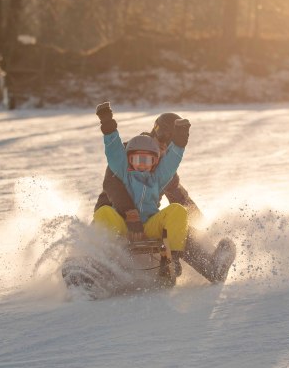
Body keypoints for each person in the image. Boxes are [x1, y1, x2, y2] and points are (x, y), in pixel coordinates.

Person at [93, 112, 236, 284]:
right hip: (114, 217)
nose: (163, 146)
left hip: (148, 222)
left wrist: (202, 229)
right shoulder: (128, 152)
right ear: (154, 132)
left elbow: (180, 199)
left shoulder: (163, 167)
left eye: (168, 145)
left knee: (179, 226)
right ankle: (92, 270)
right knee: (100, 225)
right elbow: (112, 186)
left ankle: (211, 267)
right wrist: (130, 214)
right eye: (160, 140)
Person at [92, 102, 191, 284]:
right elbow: (113, 150)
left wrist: (181, 140)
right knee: (103, 213)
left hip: (150, 226)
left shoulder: (159, 176)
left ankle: (172, 260)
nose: (143, 164)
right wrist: (107, 122)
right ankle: (99, 262)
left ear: (156, 161)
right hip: (120, 223)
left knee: (179, 212)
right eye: (138, 159)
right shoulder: (123, 168)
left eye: (148, 160)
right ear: (129, 159)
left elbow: (173, 167)